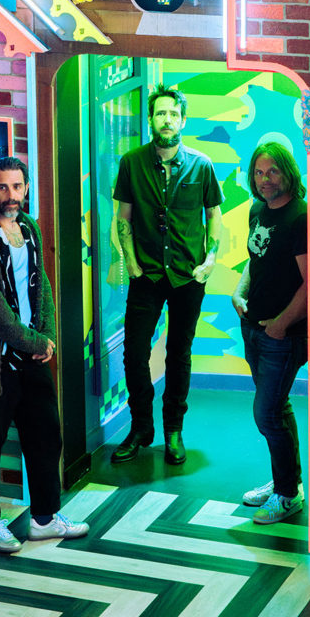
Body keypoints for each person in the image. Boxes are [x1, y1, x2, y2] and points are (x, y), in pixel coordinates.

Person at [0, 156, 89, 553]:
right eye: (2, 187)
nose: (10, 195)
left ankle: (44, 519)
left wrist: (46, 335)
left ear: (26, 188)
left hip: (31, 356)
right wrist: (35, 342)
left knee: (46, 435)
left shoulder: (29, 226)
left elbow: (41, 283)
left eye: (17, 186)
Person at [111, 83, 223, 466]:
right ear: (151, 119)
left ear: (183, 120)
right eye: (161, 113)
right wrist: (131, 262)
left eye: (173, 114)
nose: (167, 119)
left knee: (179, 354)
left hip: (188, 276)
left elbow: (214, 216)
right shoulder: (131, 163)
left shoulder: (202, 165)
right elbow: (123, 217)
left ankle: (174, 429)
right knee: (134, 353)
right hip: (146, 274)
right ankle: (141, 426)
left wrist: (210, 260)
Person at [232, 142, 308, 525]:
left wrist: (280, 324)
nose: (265, 180)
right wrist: (239, 291)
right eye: (259, 173)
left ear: (287, 173)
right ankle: (286, 482)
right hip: (254, 328)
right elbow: (255, 260)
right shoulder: (257, 210)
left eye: (273, 171)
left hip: (283, 336)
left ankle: (288, 496)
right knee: (278, 407)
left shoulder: (300, 218)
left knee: (266, 414)